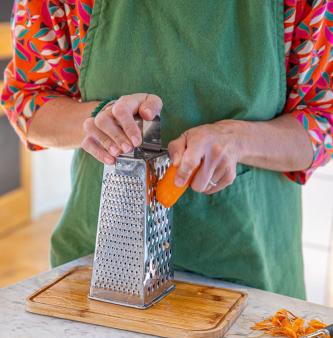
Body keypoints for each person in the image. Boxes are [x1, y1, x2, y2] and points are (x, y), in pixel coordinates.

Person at [1, 0, 333, 299]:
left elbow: (324, 120)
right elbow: (25, 98)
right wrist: (97, 120)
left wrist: (237, 139)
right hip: (101, 271)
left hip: (249, 277)